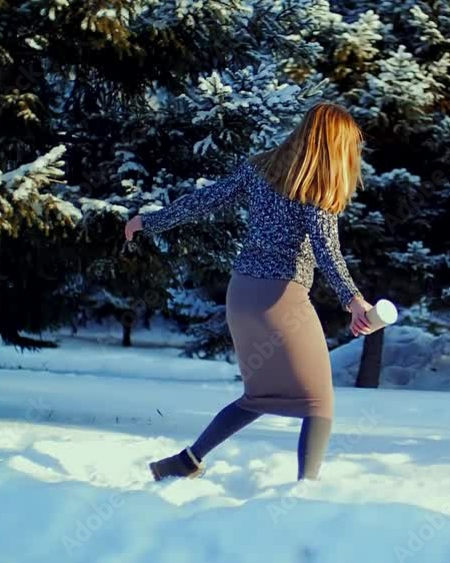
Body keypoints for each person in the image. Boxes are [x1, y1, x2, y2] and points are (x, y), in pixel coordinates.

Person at [124, 102, 374, 482]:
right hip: (281, 300)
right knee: (319, 402)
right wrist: (353, 300)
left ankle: (185, 461)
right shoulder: (316, 187)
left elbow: (206, 199)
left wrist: (150, 220)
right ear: (334, 146)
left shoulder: (261, 168)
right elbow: (327, 249)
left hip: (241, 296)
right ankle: (307, 488)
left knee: (259, 396)